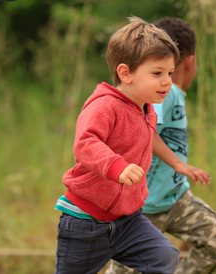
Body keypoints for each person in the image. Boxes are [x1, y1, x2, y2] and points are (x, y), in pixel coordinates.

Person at [54, 16, 181, 274]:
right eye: (157, 73)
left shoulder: (147, 109)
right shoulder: (105, 105)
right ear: (125, 73)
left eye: (170, 73)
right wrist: (116, 166)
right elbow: (85, 142)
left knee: (164, 256)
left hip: (128, 221)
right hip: (85, 222)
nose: (167, 81)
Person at [106, 17, 216, 274]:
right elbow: (144, 129)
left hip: (175, 200)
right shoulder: (165, 91)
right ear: (191, 62)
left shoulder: (172, 92)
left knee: (215, 235)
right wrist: (178, 163)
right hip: (142, 209)